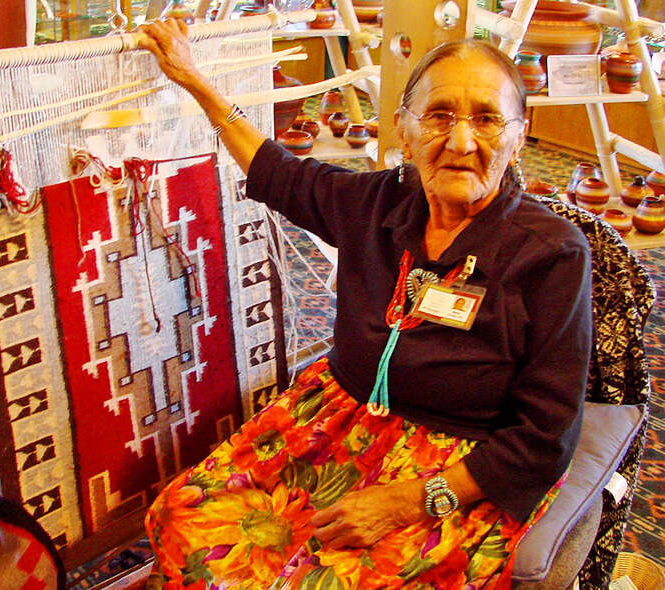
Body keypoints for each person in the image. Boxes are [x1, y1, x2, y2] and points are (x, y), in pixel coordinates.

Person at [137, 19, 592, 589]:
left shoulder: (550, 254)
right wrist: (193, 80)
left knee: (326, 581)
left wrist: (408, 501)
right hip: (339, 418)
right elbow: (277, 172)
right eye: (439, 115)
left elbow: (547, 436)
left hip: (458, 462)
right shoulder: (378, 201)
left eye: (487, 118)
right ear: (403, 128)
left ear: (519, 136)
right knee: (186, 516)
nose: (460, 141)